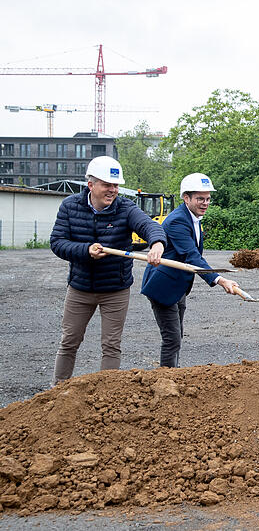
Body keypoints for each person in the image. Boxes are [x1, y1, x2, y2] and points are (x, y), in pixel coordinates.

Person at [49, 155, 167, 385]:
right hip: (80, 288)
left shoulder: (125, 208)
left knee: (111, 345)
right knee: (69, 341)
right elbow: (57, 242)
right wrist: (86, 250)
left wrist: (157, 243)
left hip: (115, 289)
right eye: (107, 185)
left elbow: (148, 225)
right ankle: (57, 389)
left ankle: (106, 392)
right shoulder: (70, 206)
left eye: (116, 185)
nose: (113, 190)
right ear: (91, 185)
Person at [140, 173, 239, 367]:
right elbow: (192, 256)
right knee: (172, 339)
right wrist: (220, 280)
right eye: (200, 199)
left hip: (178, 286)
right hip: (163, 287)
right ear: (186, 198)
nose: (205, 203)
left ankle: (173, 373)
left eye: (208, 199)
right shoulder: (177, 221)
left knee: (177, 335)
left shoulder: (193, 217)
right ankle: (166, 377)